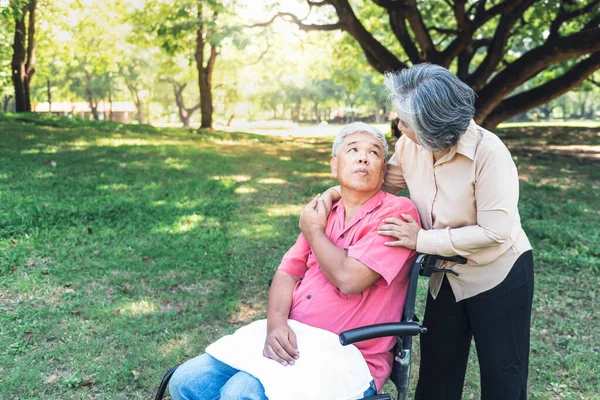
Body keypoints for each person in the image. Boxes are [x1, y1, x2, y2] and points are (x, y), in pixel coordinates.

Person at [313, 64, 534, 400]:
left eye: (405, 121)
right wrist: (335, 193)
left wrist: (421, 240)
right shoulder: (410, 146)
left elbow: (495, 232)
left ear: (434, 131)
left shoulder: (490, 154)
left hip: (498, 274)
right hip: (446, 276)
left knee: (503, 377)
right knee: (436, 376)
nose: (398, 124)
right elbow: (378, 181)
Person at [168, 122, 421, 399]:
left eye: (374, 153)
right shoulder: (326, 211)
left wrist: (313, 231)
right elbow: (288, 271)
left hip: (347, 353)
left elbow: (350, 279)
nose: (363, 157)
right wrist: (276, 324)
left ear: (383, 171)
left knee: (240, 392)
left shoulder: (396, 212)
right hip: (296, 336)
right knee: (187, 380)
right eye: (353, 150)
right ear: (334, 166)